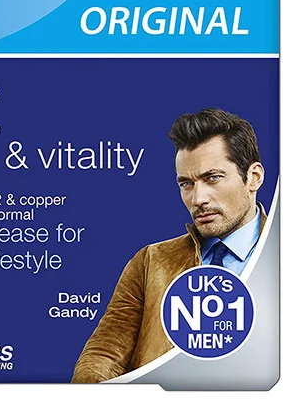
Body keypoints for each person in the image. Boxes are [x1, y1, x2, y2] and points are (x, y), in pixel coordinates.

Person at [71, 108, 266, 383]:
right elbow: (103, 354)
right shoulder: (151, 262)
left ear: (253, 177)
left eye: (212, 178)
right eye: (186, 183)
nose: (198, 198)